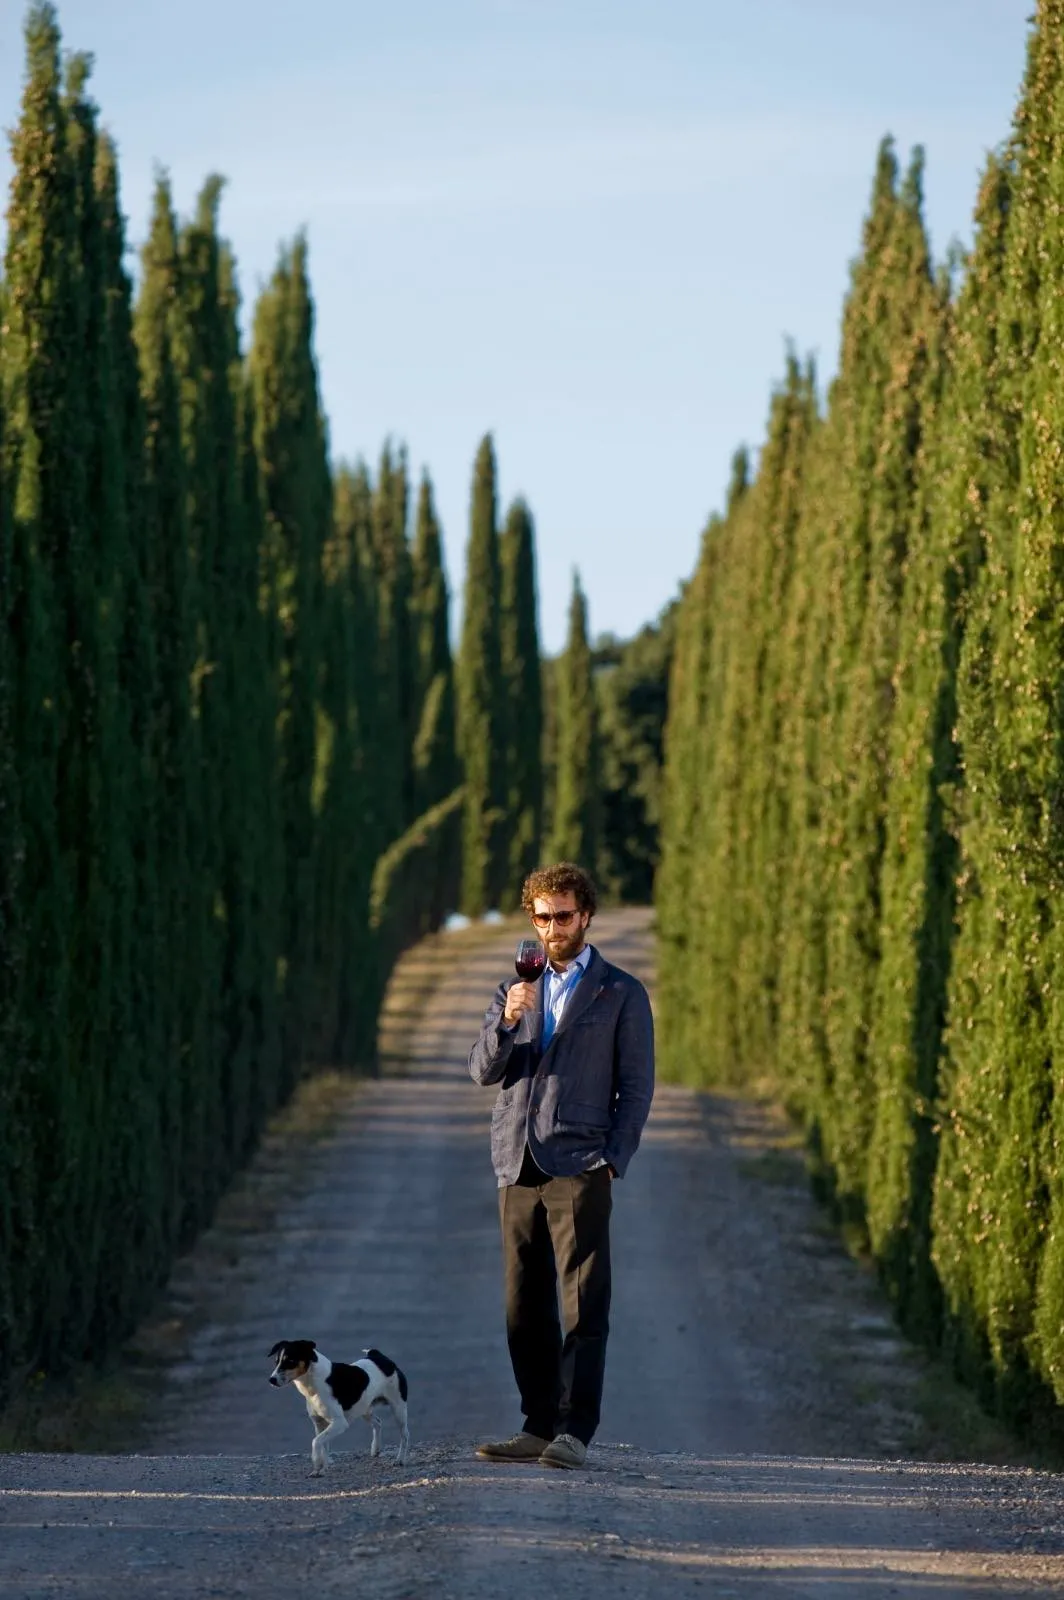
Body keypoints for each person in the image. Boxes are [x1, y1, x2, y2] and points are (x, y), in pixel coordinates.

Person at [468, 861, 654, 1469]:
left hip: (581, 1162)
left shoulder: (620, 991)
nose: (553, 928)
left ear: (586, 915)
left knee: (583, 1301)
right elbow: (482, 1071)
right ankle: (536, 1422)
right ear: (532, 920)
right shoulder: (512, 990)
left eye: (564, 916)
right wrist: (506, 1021)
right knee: (523, 1304)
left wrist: (612, 1160)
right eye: (542, 918)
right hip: (516, 1160)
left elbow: (636, 1086)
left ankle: (575, 1430)